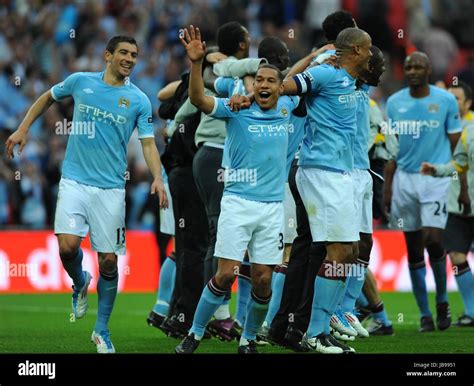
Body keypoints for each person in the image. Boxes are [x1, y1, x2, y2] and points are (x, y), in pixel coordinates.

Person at [5, 35, 168, 353]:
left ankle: (102, 331)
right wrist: (24, 127)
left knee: (108, 262)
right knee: (66, 247)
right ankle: (80, 281)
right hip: (75, 180)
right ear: (108, 56)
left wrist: (158, 178)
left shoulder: (138, 100)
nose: (129, 58)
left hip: (110, 189)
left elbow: (148, 143)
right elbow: (48, 97)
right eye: (123, 52)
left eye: (134, 54)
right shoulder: (81, 82)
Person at [175, 25, 300, 354]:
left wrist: (315, 56)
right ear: (253, 83)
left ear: (280, 88)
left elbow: (302, 77)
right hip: (238, 203)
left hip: (272, 209)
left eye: (271, 80)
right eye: (259, 79)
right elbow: (198, 98)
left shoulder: (289, 110)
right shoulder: (237, 109)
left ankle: (248, 339)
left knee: (262, 279)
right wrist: (196, 64)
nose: (263, 84)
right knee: (227, 273)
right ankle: (195, 332)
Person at [279, 27, 373, 353]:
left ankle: (323, 325)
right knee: (336, 251)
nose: (372, 54)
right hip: (320, 172)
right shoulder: (325, 73)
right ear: (357, 51)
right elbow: (287, 86)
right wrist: (262, 91)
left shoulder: (349, 80)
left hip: (340, 173)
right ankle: (313, 332)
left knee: (349, 251)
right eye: (369, 49)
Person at [384, 52, 462, 332]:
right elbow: (391, 150)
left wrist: (459, 182)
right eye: (408, 67)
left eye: (418, 66)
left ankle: (442, 299)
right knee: (413, 247)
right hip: (404, 180)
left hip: (435, 179)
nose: (413, 70)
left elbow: (457, 148)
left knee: (434, 239)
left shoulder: (445, 101)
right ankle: (425, 315)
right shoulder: (394, 103)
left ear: (428, 70)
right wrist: (388, 187)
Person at [330, 45, 386, 340]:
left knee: (364, 244)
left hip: (362, 173)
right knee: (343, 246)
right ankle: (329, 312)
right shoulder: (340, 85)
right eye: (378, 64)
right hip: (342, 174)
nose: (384, 69)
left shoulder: (366, 95)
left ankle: (347, 307)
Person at [421, 81, 474, 327]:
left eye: (457, 99)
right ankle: (471, 312)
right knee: (456, 255)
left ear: (468, 103)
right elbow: (459, 164)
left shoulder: (469, 127)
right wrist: (438, 170)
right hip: (456, 204)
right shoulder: (458, 131)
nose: (452, 104)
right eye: (449, 99)